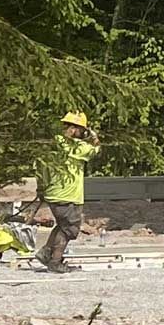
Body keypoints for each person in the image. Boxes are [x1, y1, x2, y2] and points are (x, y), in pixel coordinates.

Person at [31, 110, 100, 274]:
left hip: (52, 193)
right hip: (69, 195)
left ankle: (46, 252)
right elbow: (96, 149)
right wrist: (94, 136)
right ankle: (55, 262)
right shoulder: (78, 147)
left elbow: (39, 168)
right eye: (82, 130)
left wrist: (41, 188)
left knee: (63, 225)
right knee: (70, 229)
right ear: (75, 129)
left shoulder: (50, 145)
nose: (82, 133)